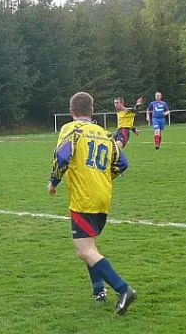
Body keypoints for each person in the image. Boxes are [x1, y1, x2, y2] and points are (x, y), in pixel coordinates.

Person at [48, 92, 136, 315]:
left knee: (84, 250)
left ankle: (123, 289)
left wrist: (54, 182)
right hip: (103, 195)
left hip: (84, 197)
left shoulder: (71, 129)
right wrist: (104, 178)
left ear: (72, 111)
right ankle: (99, 290)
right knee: (90, 245)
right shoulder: (104, 133)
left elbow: (62, 157)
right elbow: (122, 163)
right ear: (92, 111)